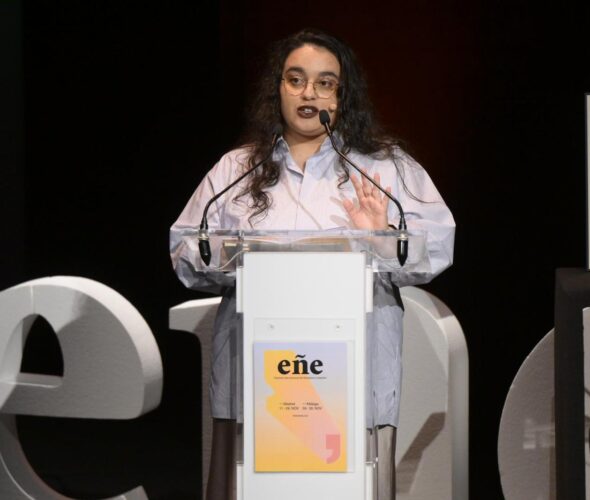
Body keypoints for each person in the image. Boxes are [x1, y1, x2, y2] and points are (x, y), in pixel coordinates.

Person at [170, 28, 455, 500]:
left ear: (343, 96)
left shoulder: (384, 167)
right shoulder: (236, 169)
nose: (309, 94)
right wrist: (228, 255)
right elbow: (185, 249)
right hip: (256, 378)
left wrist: (384, 238)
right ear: (278, 88)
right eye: (296, 79)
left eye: (326, 83)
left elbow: (439, 244)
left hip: (355, 377)